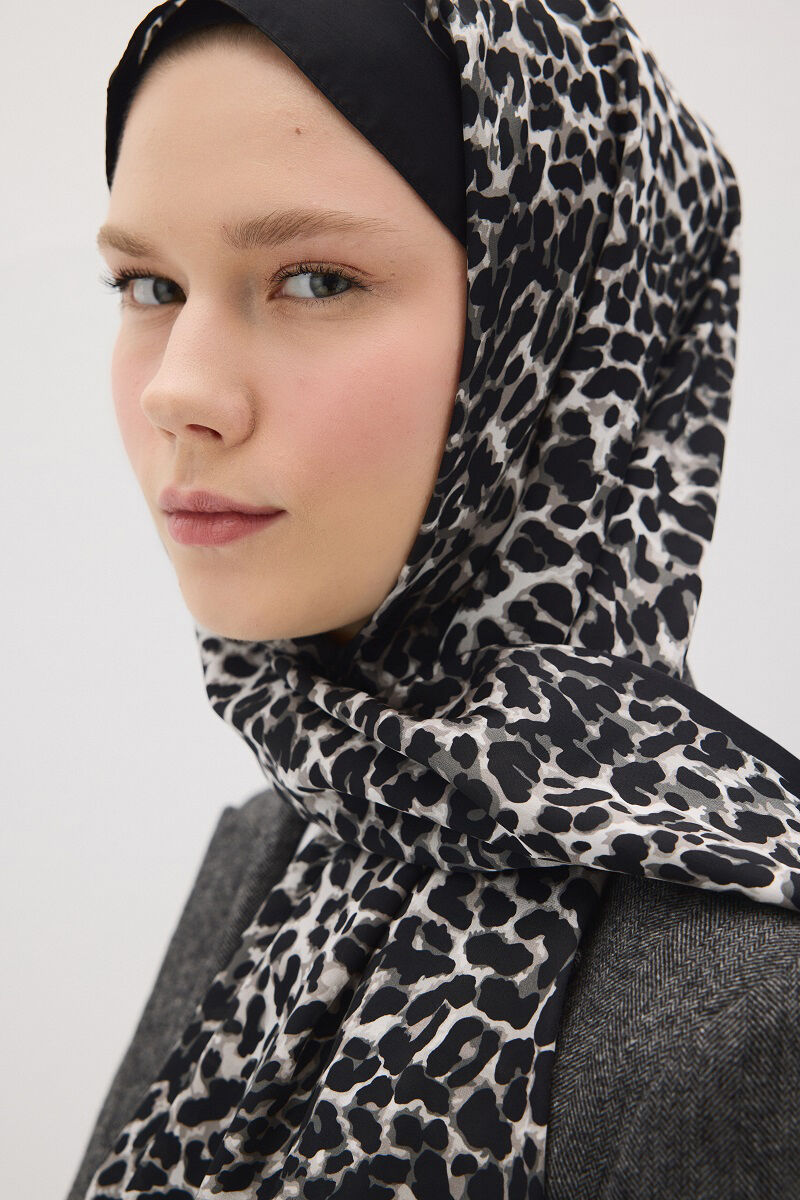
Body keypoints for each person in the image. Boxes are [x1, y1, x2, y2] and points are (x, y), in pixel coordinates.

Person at [68, 1, 800, 1197]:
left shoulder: (757, 1010)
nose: (178, 392)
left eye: (314, 278)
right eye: (147, 284)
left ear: (553, 331)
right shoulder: (282, 840)